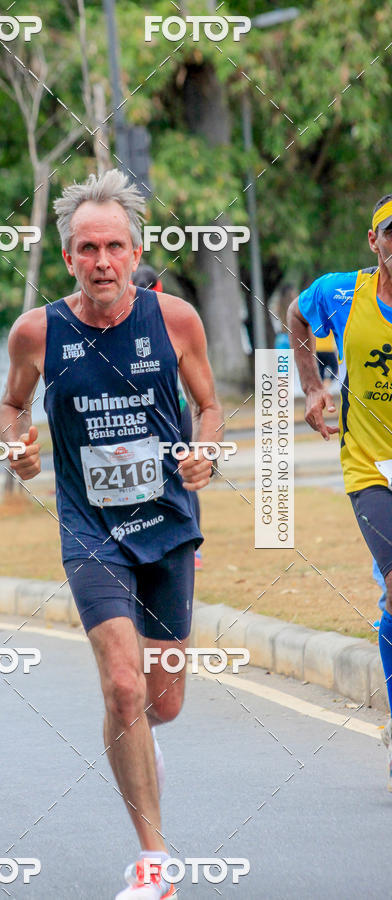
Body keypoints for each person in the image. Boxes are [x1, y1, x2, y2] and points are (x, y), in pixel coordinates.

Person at [0, 169, 223, 898]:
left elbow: (210, 407)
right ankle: (155, 862)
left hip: (167, 527)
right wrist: (18, 447)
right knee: (123, 688)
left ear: (134, 252)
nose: (101, 261)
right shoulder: (38, 331)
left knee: (163, 706)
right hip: (92, 531)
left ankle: (142, 745)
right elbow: (11, 405)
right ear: (68, 257)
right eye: (87, 248)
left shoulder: (176, 320)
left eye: (115, 247)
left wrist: (205, 454)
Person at [288, 193, 392, 790]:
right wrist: (312, 387)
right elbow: (298, 317)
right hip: (371, 469)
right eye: (391, 231)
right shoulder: (341, 294)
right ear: (373, 242)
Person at [131, 264, 203, 570]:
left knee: (176, 475)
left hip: (171, 411)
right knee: (178, 475)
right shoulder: (170, 315)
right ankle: (190, 548)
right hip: (177, 410)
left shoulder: (157, 318)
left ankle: (189, 547)